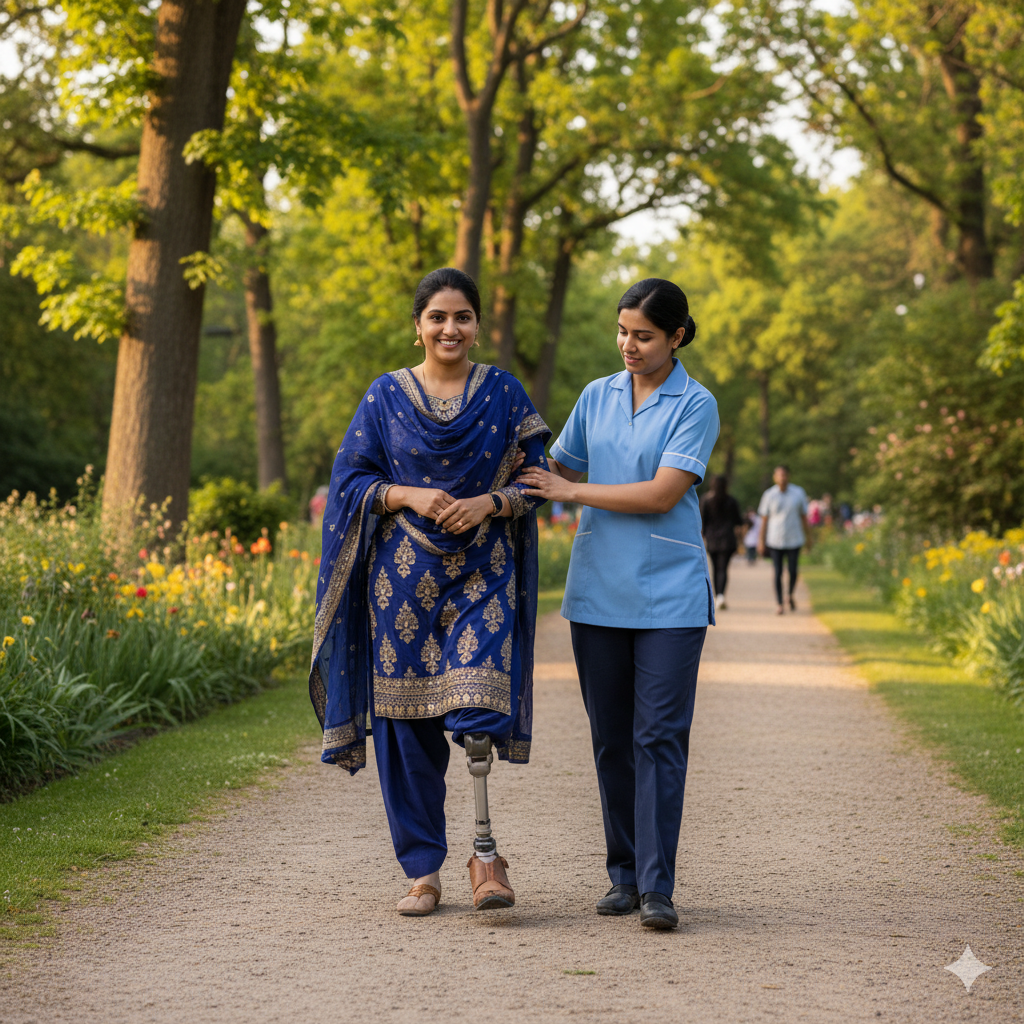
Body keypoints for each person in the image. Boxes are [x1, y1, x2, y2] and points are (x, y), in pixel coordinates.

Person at [309, 268, 550, 918]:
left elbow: (539, 475)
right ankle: (422, 872)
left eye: (462, 316)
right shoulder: (385, 396)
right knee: (406, 728)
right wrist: (407, 492)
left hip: (483, 571)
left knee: (475, 714)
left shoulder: (502, 391)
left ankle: (484, 855)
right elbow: (350, 481)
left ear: (477, 325)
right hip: (400, 585)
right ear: (417, 325)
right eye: (438, 317)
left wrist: (489, 503)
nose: (450, 328)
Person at [520, 278, 719, 931]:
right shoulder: (595, 396)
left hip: (670, 596)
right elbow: (555, 467)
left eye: (644, 335)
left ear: (677, 337)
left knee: (657, 737)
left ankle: (658, 888)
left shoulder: (696, 404)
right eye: (622, 331)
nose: (629, 345)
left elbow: (661, 494)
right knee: (611, 741)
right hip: (597, 591)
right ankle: (625, 875)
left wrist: (569, 493)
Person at [756, 464, 811, 615]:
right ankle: (779, 603)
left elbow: (804, 517)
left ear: (788, 476)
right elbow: (764, 520)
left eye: (784, 475)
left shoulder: (798, 493)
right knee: (778, 572)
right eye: (779, 475)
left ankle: (790, 594)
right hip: (775, 539)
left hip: (794, 538)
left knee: (793, 570)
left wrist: (809, 538)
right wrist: (761, 541)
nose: (782, 478)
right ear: (775, 477)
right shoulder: (769, 495)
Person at [699, 475, 743, 610]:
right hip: (728, 539)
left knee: (715, 568)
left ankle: (716, 596)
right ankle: (721, 595)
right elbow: (738, 521)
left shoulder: (706, 501)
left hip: (712, 540)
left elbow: (701, 521)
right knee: (723, 568)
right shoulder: (731, 501)